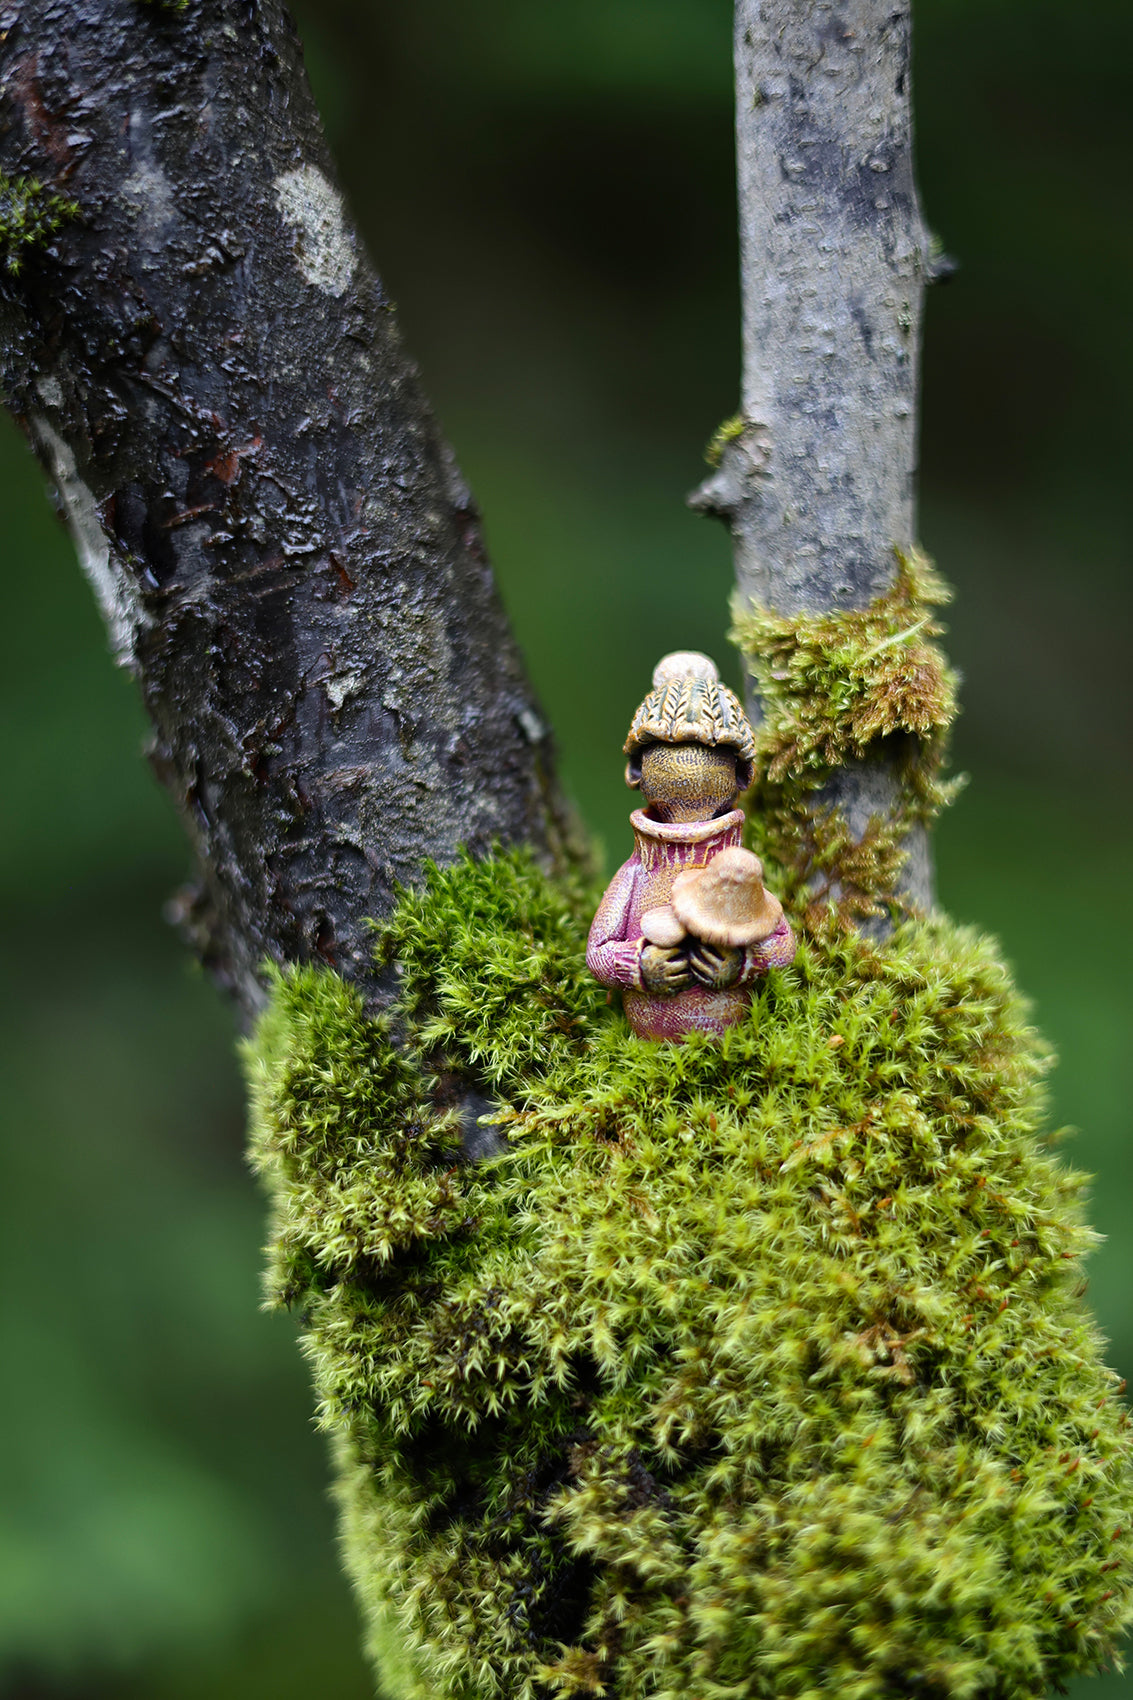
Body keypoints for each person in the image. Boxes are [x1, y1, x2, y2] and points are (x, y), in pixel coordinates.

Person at [586, 651, 795, 1040]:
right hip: (652, 1046)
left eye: (708, 755)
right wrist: (640, 966)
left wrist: (742, 964)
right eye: (667, 754)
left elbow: (783, 944)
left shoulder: (735, 868)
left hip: (734, 1047)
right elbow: (598, 951)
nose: (688, 767)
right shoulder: (638, 871)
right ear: (636, 771)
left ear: (743, 774)